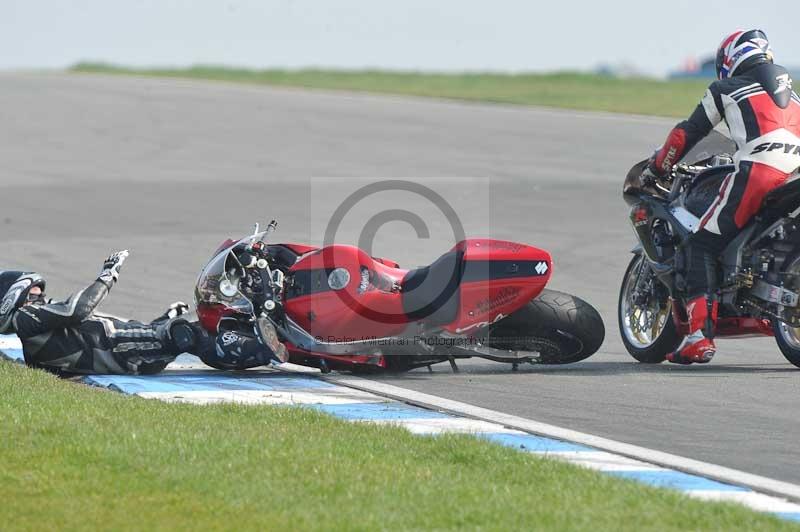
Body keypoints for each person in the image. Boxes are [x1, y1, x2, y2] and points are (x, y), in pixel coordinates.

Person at [642, 29, 800, 364]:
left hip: (758, 174)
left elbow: (688, 133)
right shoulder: (796, 98)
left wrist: (658, 168)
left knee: (701, 243)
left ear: (730, 60)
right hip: (793, 178)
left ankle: (698, 338)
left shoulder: (727, 89)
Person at [0, 250, 209, 375]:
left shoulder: (34, 345)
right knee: (196, 324)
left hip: (132, 351)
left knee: (185, 326)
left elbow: (102, 331)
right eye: (35, 291)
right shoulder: (25, 318)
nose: (41, 294)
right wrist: (108, 275)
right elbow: (78, 310)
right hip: (129, 351)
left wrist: (164, 319)